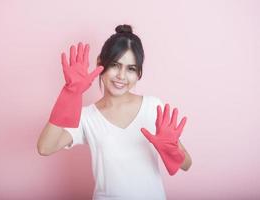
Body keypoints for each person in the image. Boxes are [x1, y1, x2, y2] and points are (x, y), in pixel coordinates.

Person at [37, 24, 192, 200]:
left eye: (131, 69)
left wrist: (172, 151)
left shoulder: (152, 107)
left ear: (139, 73)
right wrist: (70, 93)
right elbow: (45, 147)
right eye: (115, 65)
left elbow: (186, 164)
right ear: (100, 64)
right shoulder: (86, 117)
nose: (121, 76)